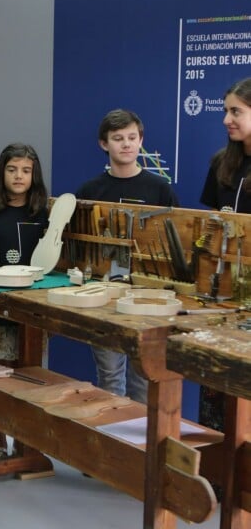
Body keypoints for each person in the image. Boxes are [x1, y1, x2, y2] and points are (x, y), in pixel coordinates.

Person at [76, 109, 179, 403]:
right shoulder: (90, 190)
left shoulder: (160, 189)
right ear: (103, 144)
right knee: (109, 376)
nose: (126, 144)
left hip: (148, 295)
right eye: (118, 138)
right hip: (104, 295)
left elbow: (174, 244)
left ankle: (139, 446)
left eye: (132, 138)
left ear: (141, 141)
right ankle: (113, 443)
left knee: (144, 378)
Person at [0, 143, 48, 458]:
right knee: (0, 376)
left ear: (34, 174)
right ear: (1, 172)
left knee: (31, 376)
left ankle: (27, 442)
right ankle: (0, 441)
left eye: (25, 170)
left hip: (33, 314)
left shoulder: (45, 214)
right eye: (12, 169)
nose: (18, 176)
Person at [199, 77, 251, 431]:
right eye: (226, 111)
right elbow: (206, 225)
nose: (226, 120)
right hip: (221, 295)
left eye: (236, 111)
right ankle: (214, 477)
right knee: (215, 382)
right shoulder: (222, 163)